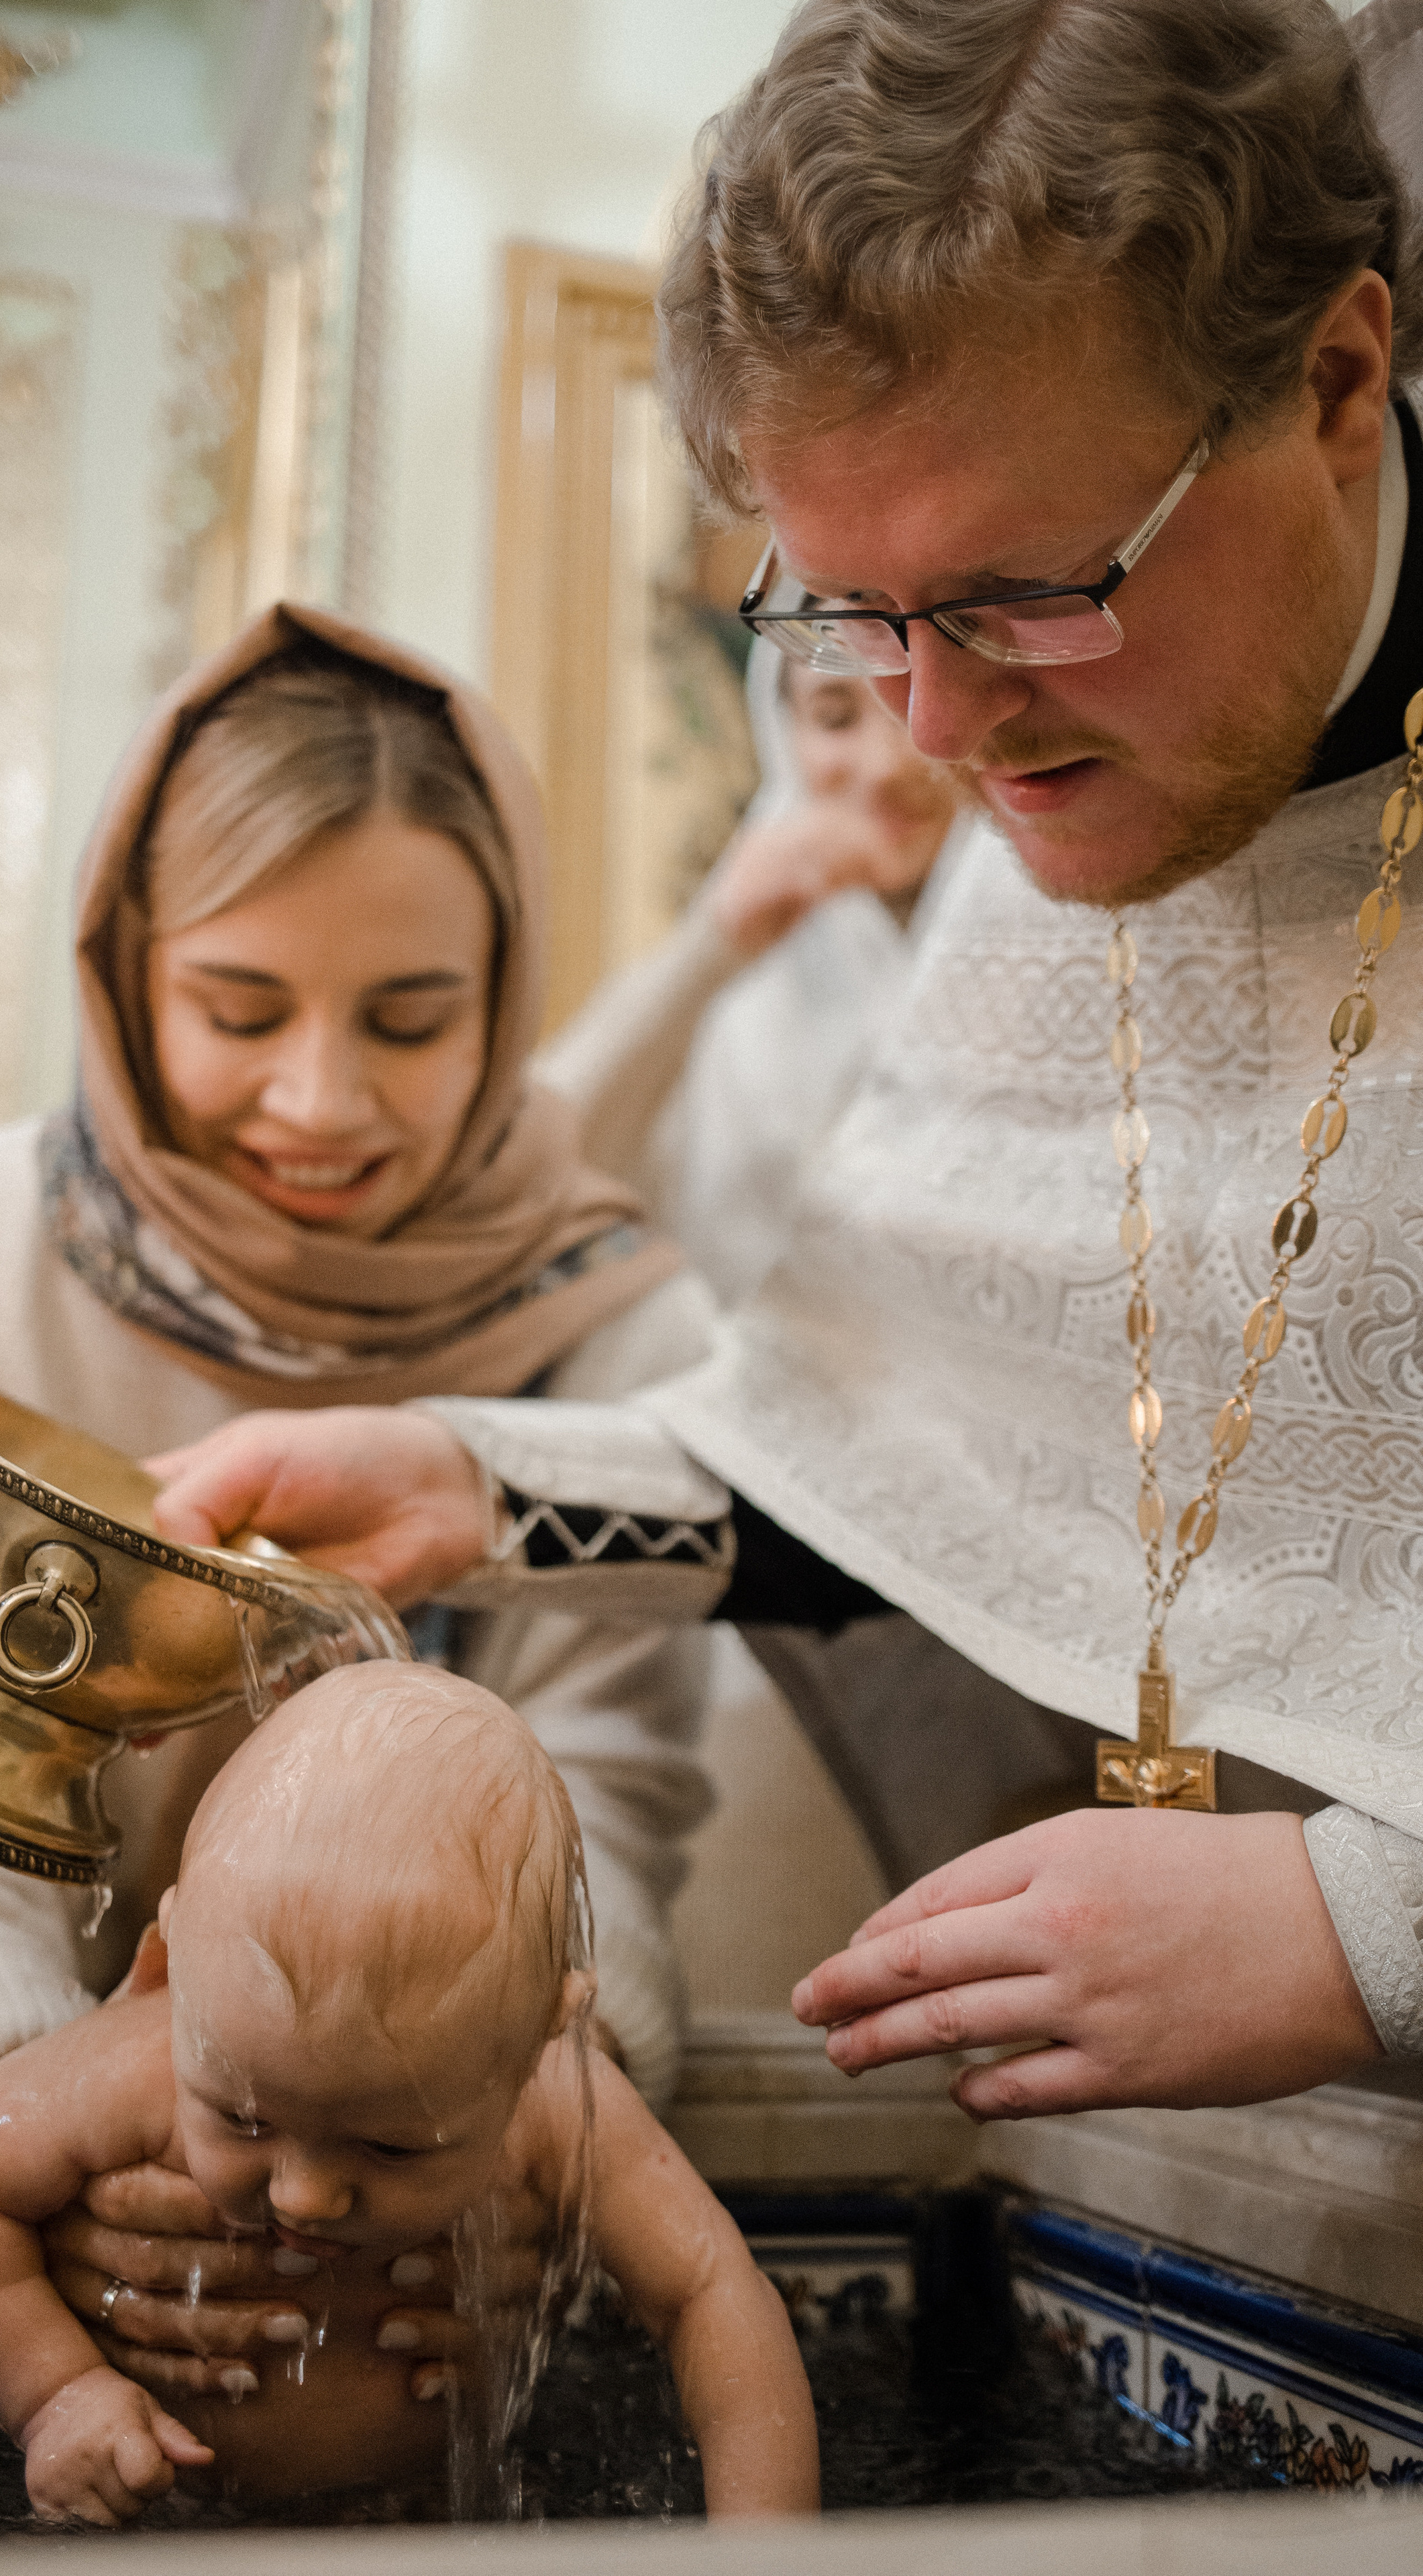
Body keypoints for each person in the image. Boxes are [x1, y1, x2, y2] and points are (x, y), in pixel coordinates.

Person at [143, 0, 1423, 2125]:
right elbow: (917, 1469)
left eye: (1023, 595)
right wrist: (480, 1484)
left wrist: (1364, 1934)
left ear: (1334, 385)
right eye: (842, 614)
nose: (933, 732)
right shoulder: (1062, 759)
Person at [0, 606, 715, 2411]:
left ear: (507, 996)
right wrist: (28, 2118)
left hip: (430, 2163)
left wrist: (520, 2120)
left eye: (414, 1020)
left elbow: (606, 1816)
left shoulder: (622, 1336)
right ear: (124, 971)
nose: (323, 1102)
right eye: (238, 1009)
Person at [0, 1662, 819, 2526]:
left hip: (420, 2521)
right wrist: (57, 2396)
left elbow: (708, 2292)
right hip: (161, 2520)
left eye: (391, 2147)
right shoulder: (136, 2067)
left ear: (545, 2033)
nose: (303, 2195)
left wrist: (756, 2549)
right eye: (243, 2118)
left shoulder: (559, 2095)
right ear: (170, 1969)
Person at [540, 647, 970, 1305]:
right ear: (782, 732)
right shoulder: (740, 959)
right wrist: (711, 949)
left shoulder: (1075, 946)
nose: (888, 766)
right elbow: (537, 1176)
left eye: (916, 706)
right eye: (833, 717)